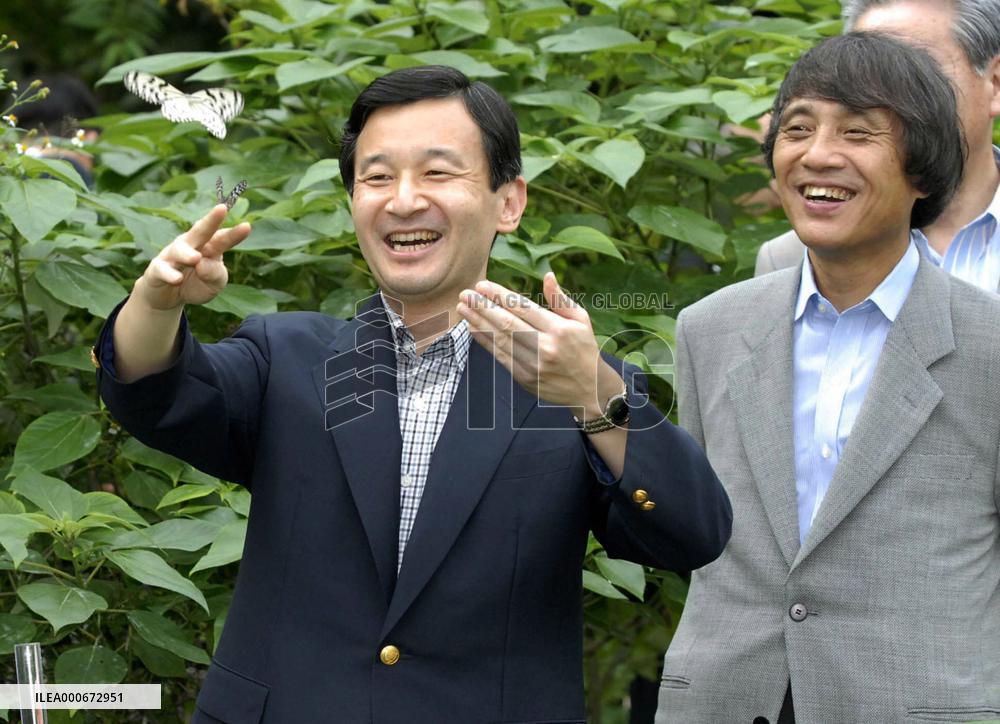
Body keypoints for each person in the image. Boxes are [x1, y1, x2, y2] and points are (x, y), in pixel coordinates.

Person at [94, 65, 732, 723]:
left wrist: (594, 395)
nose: (402, 200)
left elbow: (690, 533)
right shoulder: (285, 358)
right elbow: (156, 392)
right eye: (375, 176)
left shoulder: (570, 379)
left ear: (508, 201)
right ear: (352, 204)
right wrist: (155, 303)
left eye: (437, 172)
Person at [656, 33, 1000, 723]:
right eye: (798, 129)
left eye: (859, 132)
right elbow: (693, 532)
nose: (817, 156)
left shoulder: (988, 345)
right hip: (729, 703)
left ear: (924, 169)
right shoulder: (709, 328)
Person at [755, 0, 1000, 293]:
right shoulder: (788, 257)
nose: (888, 97)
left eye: (919, 70)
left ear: (995, 84)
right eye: (864, 74)